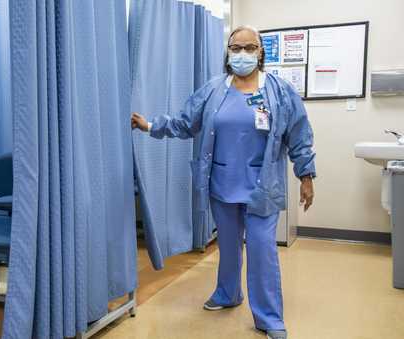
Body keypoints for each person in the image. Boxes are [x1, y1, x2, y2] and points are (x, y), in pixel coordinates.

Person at [131, 26, 316, 339]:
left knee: (261, 250)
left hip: (262, 186)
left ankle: (269, 318)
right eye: (236, 47)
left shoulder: (280, 91)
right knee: (228, 247)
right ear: (228, 53)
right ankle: (228, 294)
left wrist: (306, 176)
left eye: (249, 47)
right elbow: (185, 122)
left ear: (260, 52)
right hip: (222, 183)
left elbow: (299, 136)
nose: (242, 53)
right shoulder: (215, 89)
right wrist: (150, 126)